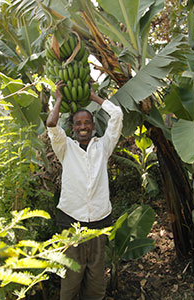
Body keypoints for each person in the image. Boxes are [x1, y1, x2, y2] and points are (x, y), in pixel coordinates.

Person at [46, 82, 123, 300]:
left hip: (99, 221)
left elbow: (116, 115)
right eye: (78, 123)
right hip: (71, 221)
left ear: (93, 126)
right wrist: (59, 98)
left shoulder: (103, 146)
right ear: (72, 128)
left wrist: (94, 97)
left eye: (87, 122)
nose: (83, 126)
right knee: (70, 281)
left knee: (96, 281)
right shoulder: (65, 147)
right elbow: (51, 124)